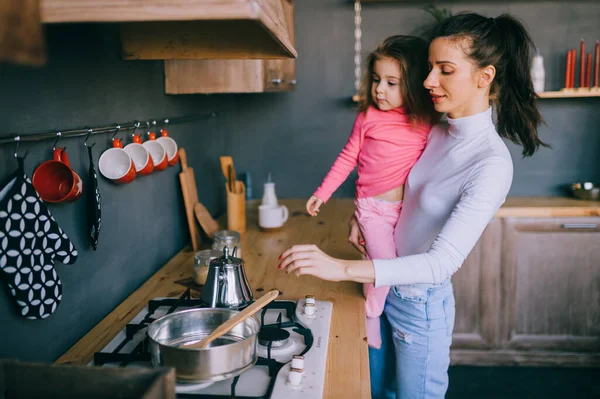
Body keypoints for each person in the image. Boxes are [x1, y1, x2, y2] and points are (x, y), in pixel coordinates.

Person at [279, 12, 549, 399]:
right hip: (385, 282)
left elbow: (441, 263)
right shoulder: (435, 129)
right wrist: (362, 216)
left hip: (417, 303)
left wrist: (339, 268)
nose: (427, 82)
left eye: (445, 70)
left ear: (484, 77)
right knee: (379, 391)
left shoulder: (490, 163)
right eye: (428, 68)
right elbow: (386, 178)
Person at [305, 35, 438, 351]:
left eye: (392, 83)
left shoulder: (425, 121)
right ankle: (370, 316)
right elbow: (348, 156)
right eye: (377, 80)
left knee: (383, 264)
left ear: (414, 85)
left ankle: (380, 322)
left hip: (405, 212)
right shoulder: (367, 117)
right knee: (383, 266)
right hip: (372, 209)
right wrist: (322, 193)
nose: (380, 89)